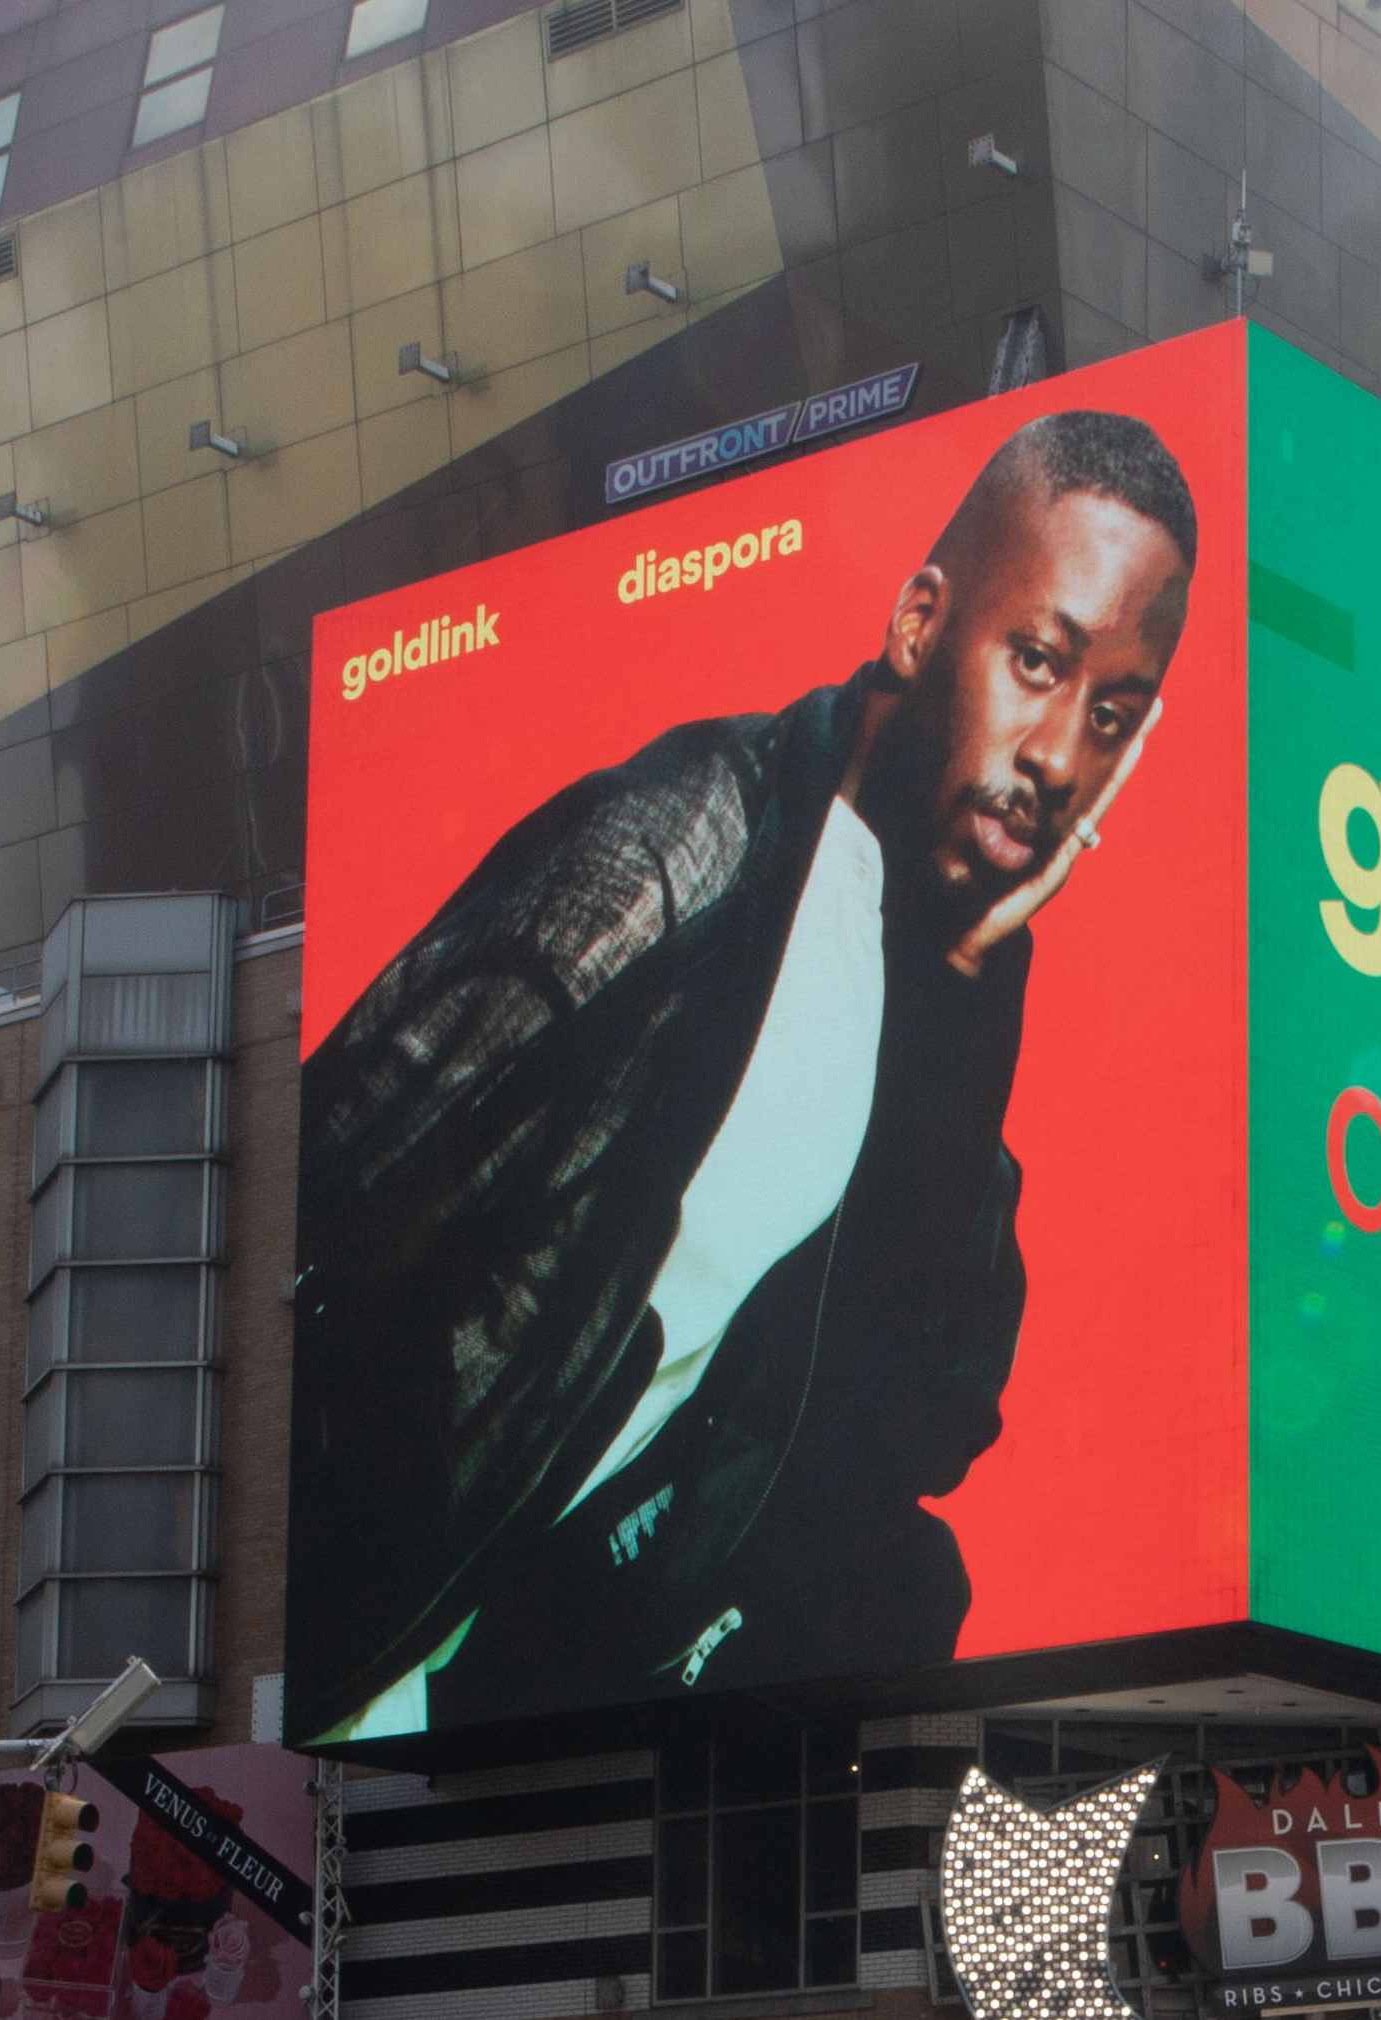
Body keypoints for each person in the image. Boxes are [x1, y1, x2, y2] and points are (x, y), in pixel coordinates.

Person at [291, 409, 1200, 1740]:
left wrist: (959, 1006)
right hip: (352, 1663)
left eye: (1110, 715)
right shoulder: (689, 848)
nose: (1060, 758)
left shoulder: (940, 959)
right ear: (918, 623)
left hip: (511, 1698)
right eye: (1037, 662)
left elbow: (938, 1420)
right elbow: (335, 1168)